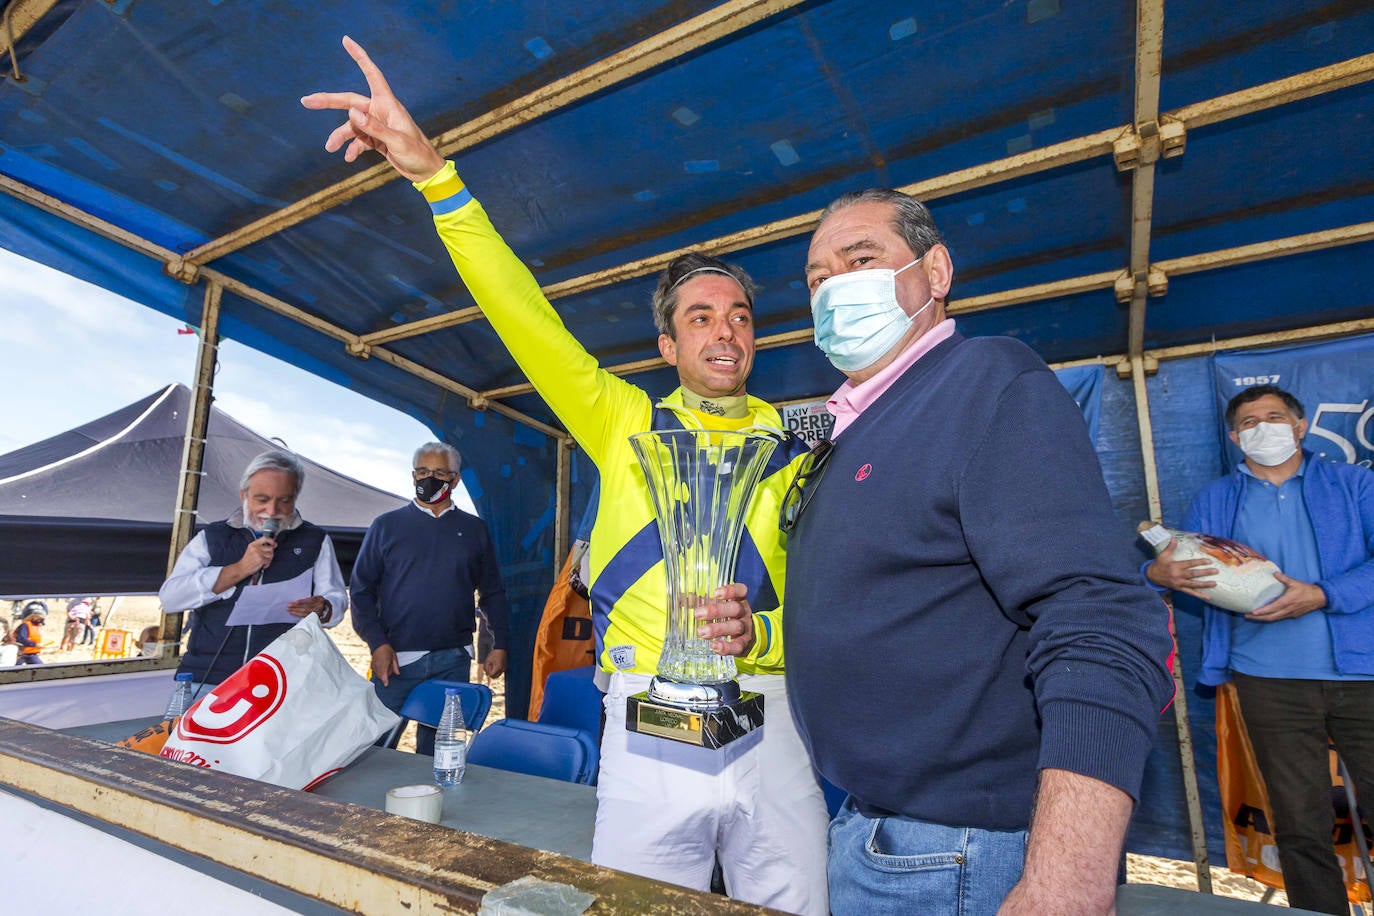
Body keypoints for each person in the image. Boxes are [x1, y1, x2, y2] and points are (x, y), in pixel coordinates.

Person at [304, 39, 829, 914]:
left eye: (739, 315)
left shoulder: (801, 438)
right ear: (669, 347)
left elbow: (836, 580)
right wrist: (437, 179)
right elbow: (520, 312)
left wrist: (766, 628)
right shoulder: (621, 418)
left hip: (774, 725)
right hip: (647, 737)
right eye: (701, 317)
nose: (725, 332)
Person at [781, 188, 1176, 914]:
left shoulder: (987, 382)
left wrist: (1067, 882)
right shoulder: (842, 426)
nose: (835, 289)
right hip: (870, 827)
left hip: (968, 854)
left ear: (935, 272)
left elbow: (1102, 618)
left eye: (860, 260)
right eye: (816, 280)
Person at [1146, 384, 1374, 915]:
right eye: (1249, 422)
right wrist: (1155, 571)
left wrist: (1322, 594)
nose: (1262, 427)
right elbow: (1185, 564)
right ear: (1233, 437)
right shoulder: (1216, 498)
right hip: (1267, 681)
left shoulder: (1353, 483)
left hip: (1363, 674)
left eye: (1274, 417)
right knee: (1299, 823)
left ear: (1299, 427)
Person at [349, 442, 511, 754]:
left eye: (439, 473)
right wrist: (377, 644)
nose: (429, 478)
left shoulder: (474, 529)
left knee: (439, 753)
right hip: (395, 660)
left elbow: (491, 592)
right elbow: (361, 591)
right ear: (413, 476)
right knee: (372, 750)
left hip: (453, 661)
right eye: (422, 471)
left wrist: (500, 644)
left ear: (456, 479)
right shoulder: (386, 526)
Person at [159, 449, 347, 686]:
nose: (272, 511)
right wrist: (239, 569)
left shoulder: (314, 540)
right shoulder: (213, 537)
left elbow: (336, 598)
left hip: (281, 682)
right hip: (208, 678)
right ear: (243, 495)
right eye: (262, 499)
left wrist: (324, 607)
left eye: (284, 501)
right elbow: (171, 598)